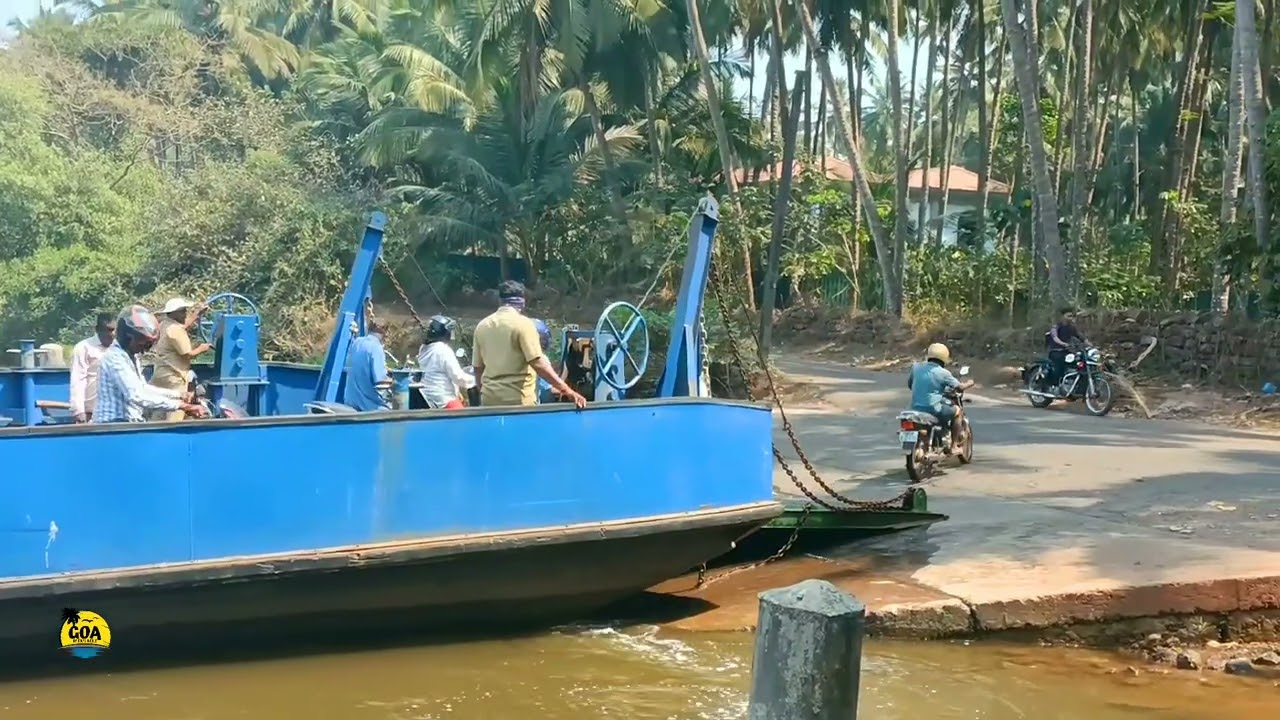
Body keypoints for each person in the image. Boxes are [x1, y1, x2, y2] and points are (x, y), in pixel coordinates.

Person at [472, 281, 586, 409]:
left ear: (500, 301)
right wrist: (568, 391)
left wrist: (484, 392)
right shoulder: (524, 324)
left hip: (489, 401)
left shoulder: (482, 326)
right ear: (522, 302)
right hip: (519, 402)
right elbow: (538, 364)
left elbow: (477, 368)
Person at [94, 305, 208, 423]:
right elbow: (137, 395)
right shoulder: (115, 358)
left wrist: (178, 395)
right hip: (112, 425)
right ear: (128, 337)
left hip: (127, 422)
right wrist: (181, 406)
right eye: (142, 344)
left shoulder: (131, 357)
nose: (144, 350)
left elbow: (142, 388)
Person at [151, 297, 211, 421]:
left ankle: (155, 428)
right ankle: (173, 431)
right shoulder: (176, 330)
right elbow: (187, 354)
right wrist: (202, 348)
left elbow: (184, 324)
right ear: (174, 313)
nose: (185, 314)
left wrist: (197, 313)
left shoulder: (165, 324)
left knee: (160, 410)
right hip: (174, 377)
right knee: (176, 412)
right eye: (182, 311)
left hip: (161, 374)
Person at [906, 342, 973, 449]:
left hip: (915, 408)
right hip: (933, 409)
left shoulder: (916, 367)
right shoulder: (943, 373)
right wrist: (969, 383)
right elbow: (959, 387)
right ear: (944, 358)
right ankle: (954, 446)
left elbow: (910, 385)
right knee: (958, 411)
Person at [416, 315, 475, 409]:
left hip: (429, 397)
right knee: (465, 417)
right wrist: (477, 380)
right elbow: (458, 377)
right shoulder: (443, 350)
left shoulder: (424, 348)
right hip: (444, 399)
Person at [69, 312, 115, 423]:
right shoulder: (84, 348)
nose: (113, 334)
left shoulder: (120, 349)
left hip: (115, 412)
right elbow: (78, 379)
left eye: (115, 330)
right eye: (109, 330)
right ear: (98, 329)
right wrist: (78, 410)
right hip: (91, 413)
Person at [345, 318, 393, 411]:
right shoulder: (376, 348)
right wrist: (397, 381)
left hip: (350, 401)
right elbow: (380, 382)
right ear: (385, 332)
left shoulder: (357, 342)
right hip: (368, 405)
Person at [1044, 307, 1087, 387]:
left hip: (1067, 351)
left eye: (1072, 316)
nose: (1071, 318)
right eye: (1068, 316)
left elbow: (1080, 337)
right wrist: (1063, 344)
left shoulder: (1072, 327)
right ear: (1063, 316)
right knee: (1059, 365)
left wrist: (1089, 344)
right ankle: (1055, 385)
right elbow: (1055, 338)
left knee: (1080, 361)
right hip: (1055, 351)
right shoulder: (1056, 326)